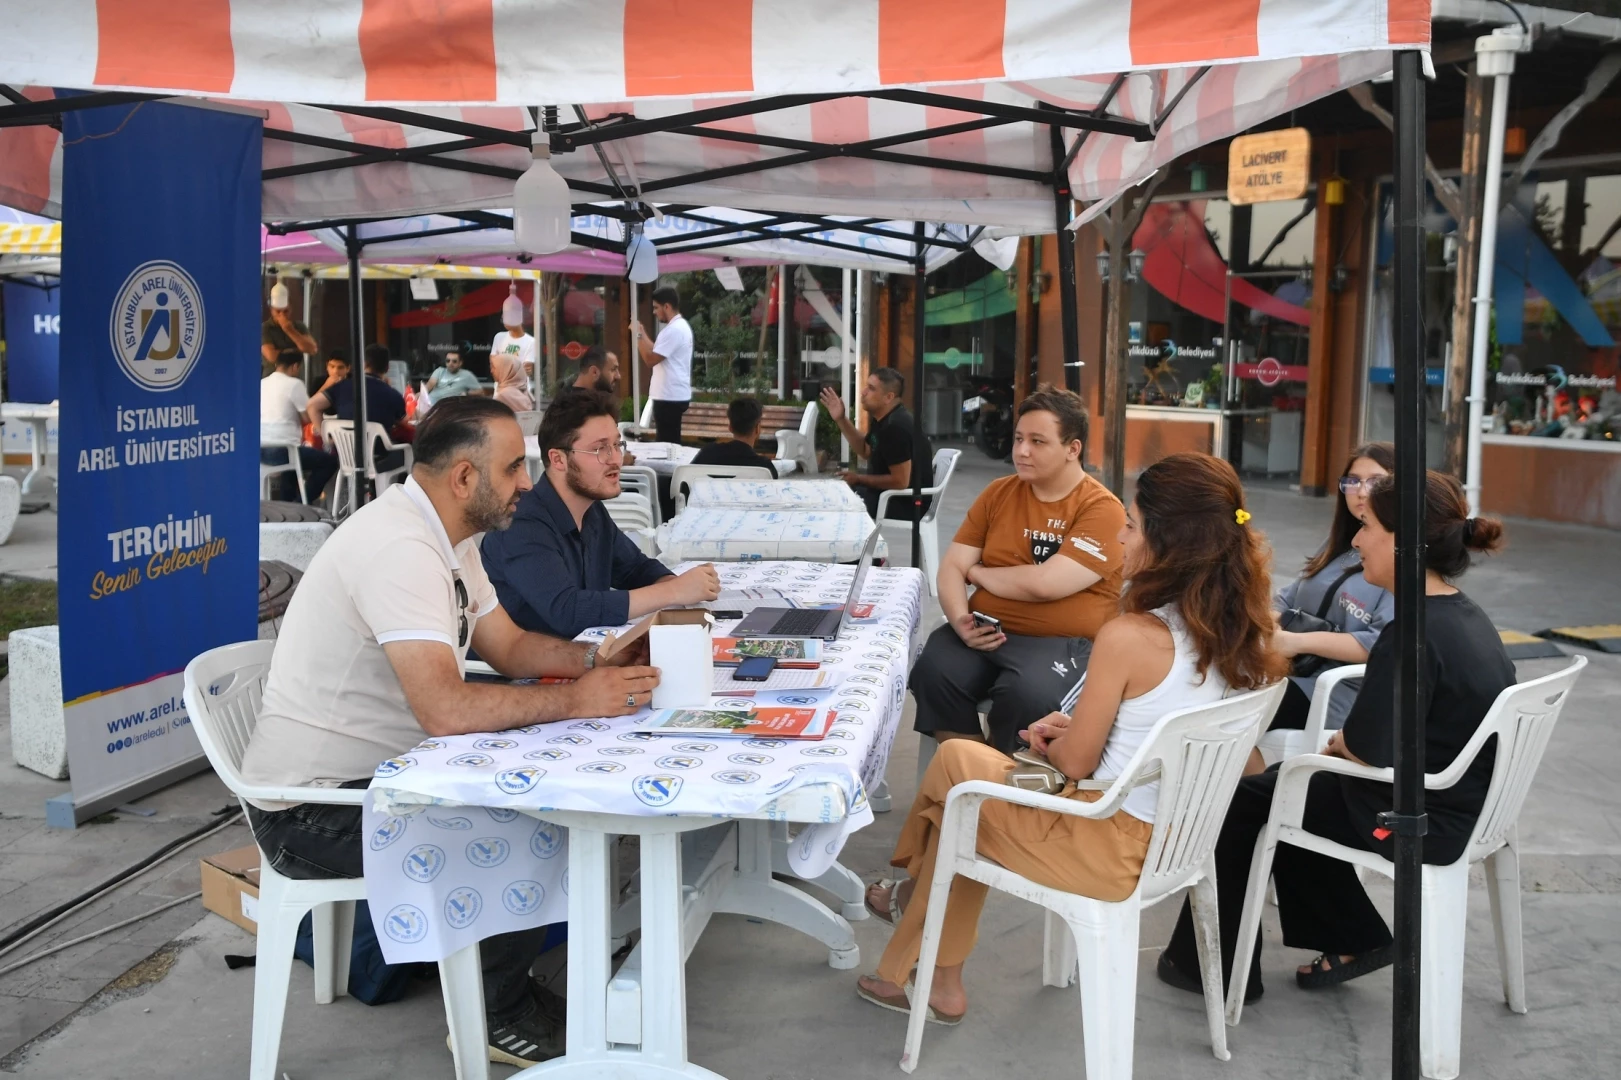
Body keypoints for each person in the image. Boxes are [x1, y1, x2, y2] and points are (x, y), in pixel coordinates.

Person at [240, 397, 660, 1066]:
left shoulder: (450, 536)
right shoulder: (400, 548)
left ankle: (504, 991)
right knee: (526, 822)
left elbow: (510, 647)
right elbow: (445, 710)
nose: (527, 483)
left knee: (536, 801)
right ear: (465, 477)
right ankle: (495, 1013)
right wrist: (579, 699)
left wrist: (593, 661)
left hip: (382, 778)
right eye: (513, 467)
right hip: (311, 811)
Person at [855, 452, 1285, 1023]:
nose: (1121, 538)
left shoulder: (1131, 635)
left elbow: (1076, 765)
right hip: (1176, 837)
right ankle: (926, 943)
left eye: (1132, 526)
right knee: (964, 777)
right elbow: (1170, 731)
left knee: (958, 778)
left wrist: (1054, 741)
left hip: (1104, 838)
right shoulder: (1247, 632)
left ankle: (921, 929)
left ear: (1171, 542)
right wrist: (1070, 730)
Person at [1158, 469, 1514, 1001]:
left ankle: (1209, 969)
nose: (1357, 540)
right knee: (1293, 787)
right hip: (1464, 802)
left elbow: (1364, 750)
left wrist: (1340, 747)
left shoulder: (1409, 634)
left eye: (1367, 527)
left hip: (1421, 818)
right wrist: (1343, 749)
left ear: (1404, 542)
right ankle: (1350, 936)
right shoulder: (1464, 615)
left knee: (1246, 802)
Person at [909, 387, 1125, 755]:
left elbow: (1047, 584)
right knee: (933, 670)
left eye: (1038, 441)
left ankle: (999, 777)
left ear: (1072, 449)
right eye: (1019, 438)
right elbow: (951, 568)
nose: (1022, 450)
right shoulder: (999, 493)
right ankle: (972, 770)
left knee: (1027, 695)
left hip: (1064, 643)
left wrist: (977, 574)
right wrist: (960, 621)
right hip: (986, 629)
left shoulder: (1101, 509)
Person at [481, 389, 721, 640]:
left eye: (617, 445)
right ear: (558, 459)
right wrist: (673, 592)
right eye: (600, 449)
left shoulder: (591, 510)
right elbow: (568, 612)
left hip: (583, 652)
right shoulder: (521, 522)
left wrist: (677, 585)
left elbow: (634, 569)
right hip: (517, 663)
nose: (615, 459)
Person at [1255, 442, 1395, 767]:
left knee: (1234, 710)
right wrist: (1268, 623)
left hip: (1335, 693)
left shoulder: (1400, 561)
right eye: (1352, 481)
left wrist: (1295, 642)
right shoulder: (1339, 544)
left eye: (1375, 481)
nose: (1361, 492)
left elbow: (1379, 642)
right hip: (1288, 671)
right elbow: (1289, 596)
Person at [820, 369, 933, 521]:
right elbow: (865, 450)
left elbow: (901, 481)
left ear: (889, 397)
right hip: (887, 495)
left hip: (905, 504)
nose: (863, 392)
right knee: (834, 492)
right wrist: (841, 419)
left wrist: (859, 479)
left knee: (834, 501)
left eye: (871, 388)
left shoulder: (895, 427)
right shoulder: (883, 419)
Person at [309, 344, 409, 470]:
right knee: (406, 451)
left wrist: (327, 438)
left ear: (364, 364)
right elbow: (405, 422)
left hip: (344, 454)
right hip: (377, 456)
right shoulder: (393, 394)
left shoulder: (342, 386)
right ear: (387, 368)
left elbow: (312, 405)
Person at [260, 349, 338, 504]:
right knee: (329, 462)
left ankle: (288, 504)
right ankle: (301, 502)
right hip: (284, 451)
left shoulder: (262, 383)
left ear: (276, 364)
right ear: (295, 366)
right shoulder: (295, 384)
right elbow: (308, 417)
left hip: (261, 450)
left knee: (294, 460)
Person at [631, 286, 693, 443]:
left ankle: (671, 461)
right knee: (669, 441)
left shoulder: (674, 330)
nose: (654, 312)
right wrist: (642, 332)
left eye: (656, 307)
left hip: (668, 396)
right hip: (672, 394)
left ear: (667, 306)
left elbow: (650, 360)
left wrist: (637, 336)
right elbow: (657, 350)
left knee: (667, 444)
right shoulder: (678, 327)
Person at [690, 397, 778, 478]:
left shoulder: (708, 454)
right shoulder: (764, 468)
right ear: (757, 429)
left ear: (730, 427)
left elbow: (687, 479)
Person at [491, 290, 536, 413]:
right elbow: (494, 366)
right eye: (503, 317)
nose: (505, 320)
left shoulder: (531, 341)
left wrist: (504, 368)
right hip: (500, 390)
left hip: (520, 393)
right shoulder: (499, 337)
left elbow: (526, 370)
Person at [261, 281, 317, 376]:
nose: (282, 315)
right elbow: (271, 356)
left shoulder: (299, 326)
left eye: (285, 311)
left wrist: (290, 330)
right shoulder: (265, 328)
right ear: (271, 310)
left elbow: (312, 349)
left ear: (291, 309)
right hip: (272, 378)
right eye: (278, 311)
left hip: (296, 378)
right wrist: (295, 350)